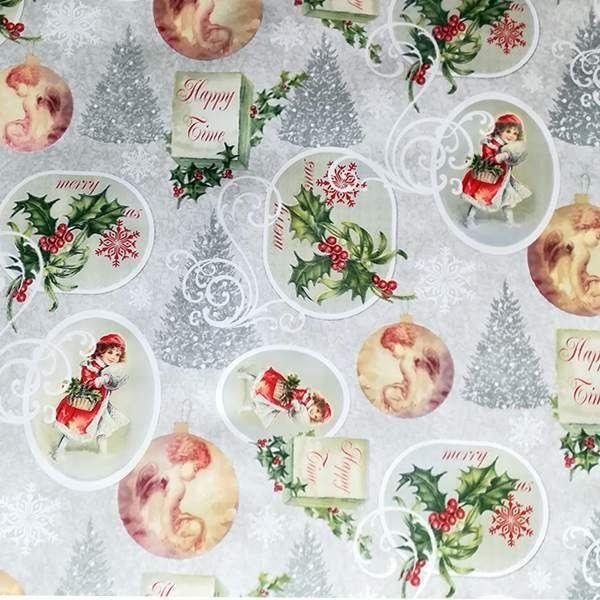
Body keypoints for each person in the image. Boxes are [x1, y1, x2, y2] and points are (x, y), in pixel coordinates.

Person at [51, 333, 129, 460]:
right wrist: (97, 381)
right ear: (101, 351)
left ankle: (103, 455)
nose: (113, 357)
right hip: (87, 404)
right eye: (110, 352)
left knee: (103, 428)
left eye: (117, 354)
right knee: (73, 428)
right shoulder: (90, 366)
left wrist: (109, 380)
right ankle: (59, 451)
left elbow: (114, 384)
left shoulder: (110, 370)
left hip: (102, 405)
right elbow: (86, 383)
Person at [134, 434, 211, 556]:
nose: (195, 475)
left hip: (147, 516)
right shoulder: (178, 486)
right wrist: (172, 537)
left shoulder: (163, 474)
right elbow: (166, 513)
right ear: (185, 459)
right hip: (161, 525)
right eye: (196, 468)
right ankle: (187, 546)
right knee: (196, 528)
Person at [461, 113, 531, 228]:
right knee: (479, 198)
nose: (511, 135)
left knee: (507, 200)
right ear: (499, 130)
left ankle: (510, 222)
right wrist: (497, 158)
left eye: (515, 133)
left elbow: (513, 160)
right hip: (490, 178)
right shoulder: (491, 143)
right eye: (508, 131)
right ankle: (469, 219)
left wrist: (509, 155)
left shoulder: (510, 147)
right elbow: (487, 159)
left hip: (504, 178)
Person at [0, 55, 73, 152]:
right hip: (41, 126)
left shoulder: (29, 100)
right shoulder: (40, 93)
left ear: (23, 82)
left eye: (16, 87)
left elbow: (34, 120)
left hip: (38, 129)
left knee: (11, 129)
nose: (17, 91)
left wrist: (29, 136)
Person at [238, 366, 332, 430]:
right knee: (265, 385)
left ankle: (250, 405)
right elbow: (296, 392)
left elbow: (294, 415)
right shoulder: (308, 397)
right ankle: (249, 376)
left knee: (265, 404)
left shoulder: (304, 414)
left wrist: (295, 412)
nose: (313, 413)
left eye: (315, 416)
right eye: (317, 410)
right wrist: (294, 399)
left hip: (281, 404)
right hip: (282, 392)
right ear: (318, 404)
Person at [154, 0, 233, 60]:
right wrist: (202, 42)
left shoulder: (207, 4)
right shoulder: (206, 3)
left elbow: (198, 23)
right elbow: (196, 23)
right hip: (188, 30)